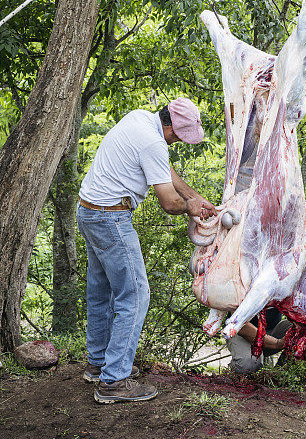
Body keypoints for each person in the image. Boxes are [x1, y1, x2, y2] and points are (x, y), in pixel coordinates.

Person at [77, 97, 216, 404]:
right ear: (170, 127)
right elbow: (168, 203)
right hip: (110, 217)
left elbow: (165, 171)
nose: (178, 141)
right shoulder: (154, 142)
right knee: (136, 295)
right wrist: (190, 208)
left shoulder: (140, 118)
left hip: (88, 210)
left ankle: (99, 364)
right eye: (178, 136)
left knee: (101, 292)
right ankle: (113, 382)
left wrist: (195, 196)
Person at [226, 308, 290, 374]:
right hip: (239, 331)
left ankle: (278, 375)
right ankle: (237, 370)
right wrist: (276, 343)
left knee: (299, 327)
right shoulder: (239, 298)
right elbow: (239, 324)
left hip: (271, 331)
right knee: (248, 364)